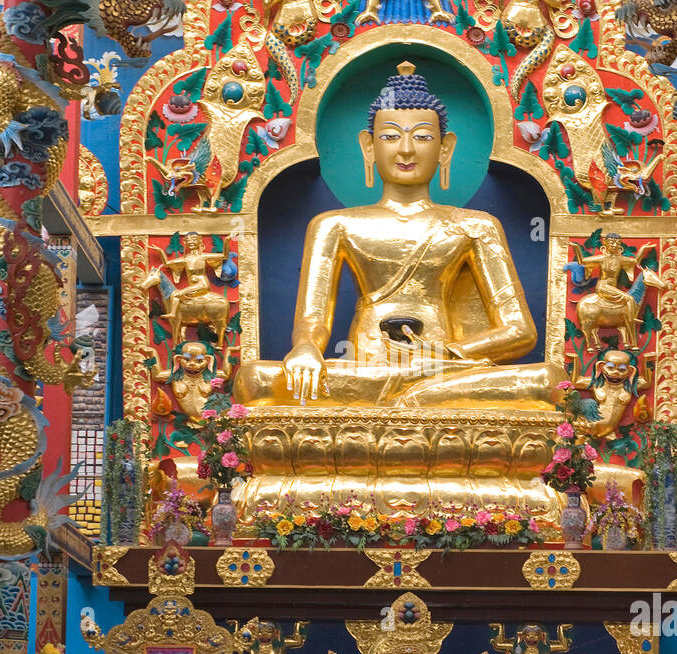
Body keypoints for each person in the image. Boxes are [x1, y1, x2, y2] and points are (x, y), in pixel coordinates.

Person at [235, 63, 564, 409]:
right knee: (255, 381)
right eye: (390, 136)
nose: (406, 150)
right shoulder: (334, 224)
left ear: (445, 148)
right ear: (368, 146)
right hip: (365, 370)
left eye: (422, 137)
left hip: (445, 369)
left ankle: (419, 396)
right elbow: (313, 319)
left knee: (549, 381)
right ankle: (415, 401)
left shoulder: (477, 226)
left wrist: (449, 351)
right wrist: (304, 348)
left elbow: (520, 331)